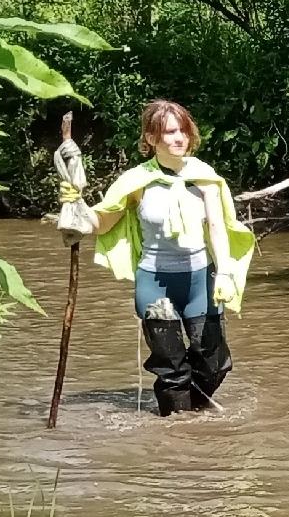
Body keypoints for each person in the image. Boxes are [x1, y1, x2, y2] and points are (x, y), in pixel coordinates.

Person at [90, 99, 256, 416]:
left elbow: (218, 228)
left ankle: (194, 411)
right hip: (155, 283)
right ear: (151, 139)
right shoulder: (136, 182)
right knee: (170, 368)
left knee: (214, 362)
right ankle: (177, 435)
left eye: (183, 130)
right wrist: (76, 213)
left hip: (199, 279)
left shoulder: (204, 177)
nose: (179, 137)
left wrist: (224, 272)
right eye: (169, 131)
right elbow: (103, 222)